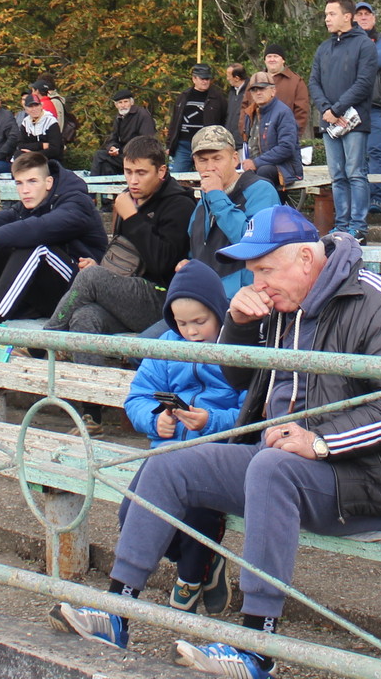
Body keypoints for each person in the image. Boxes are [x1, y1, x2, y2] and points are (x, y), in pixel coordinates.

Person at [53, 206, 381, 676]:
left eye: (265, 270)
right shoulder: (281, 304)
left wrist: (319, 441)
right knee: (171, 463)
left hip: (368, 475)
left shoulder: (380, 300)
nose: (258, 283)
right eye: (253, 273)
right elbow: (240, 378)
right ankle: (117, 612)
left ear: (306, 259)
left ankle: (255, 648)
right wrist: (241, 327)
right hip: (281, 463)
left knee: (270, 467)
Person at [117, 260, 246, 614]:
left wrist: (211, 421)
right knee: (131, 516)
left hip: (216, 452)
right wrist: (155, 419)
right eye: (181, 323)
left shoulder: (239, 344)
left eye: (199, 322)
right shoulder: (167, 344)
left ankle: (190, 578)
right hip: (166, 449)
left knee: (198, 513)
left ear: (219, 312)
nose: (190, 331)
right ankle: (210, 564)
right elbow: (138, 397)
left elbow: (253, 412)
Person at [46, 136, 195, 342]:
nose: (133, 180)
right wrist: (102, 267)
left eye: (141, 173)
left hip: (162, 298)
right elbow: (125, 252)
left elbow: (161, 264)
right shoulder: (129, 197)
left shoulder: (180, 205)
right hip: (128, 294)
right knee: (85, 317)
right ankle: (87, 374)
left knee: (92, 277)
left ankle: (44, 342)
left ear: (161, 171)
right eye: (128, 172)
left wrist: (132, 217)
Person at [0, 153, 107, 329]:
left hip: (77, 289)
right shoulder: (24, 208)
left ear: (48, 182)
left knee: (34, 247)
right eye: (19, 183)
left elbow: (39, 228)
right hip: (41, 294)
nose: (25, 190)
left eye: (32, 181)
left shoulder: (77, 202)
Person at [309, 0, 379, 241]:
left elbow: (364, 83)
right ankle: (341, 224)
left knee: (355, 172)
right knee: (337, 175)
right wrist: (327, 110)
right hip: (330, 122)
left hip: (355, 121)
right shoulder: (323, 48)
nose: (327, 18)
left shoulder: (364, 45)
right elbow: (314, 82)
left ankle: (358, 226)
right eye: (326, 14)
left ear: (347, 16)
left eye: (331, 14)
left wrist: (338, 109)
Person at [185, 126, 279, 297]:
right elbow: (195, 250)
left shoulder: (261, 191)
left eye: (217, 158)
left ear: (234, 159)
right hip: (203, 297)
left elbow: (255, 245)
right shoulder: (204, 201)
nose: (210, 167)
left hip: (247, 298)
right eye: (203, 160)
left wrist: (217, 196)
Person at [352, 4, 381, 225]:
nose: (364, 18)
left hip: (376, 107)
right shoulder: (347, 40)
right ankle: (359, 200)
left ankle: (377, 197)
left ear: (374, 18)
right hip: (352, 108)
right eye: (359, 14)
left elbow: (376, 60)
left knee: (377, 152)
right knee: (356, 156)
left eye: (367, 14)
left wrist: (354, 59)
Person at [236, 73, 301, 195]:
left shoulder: (283, 112)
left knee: (263, 172)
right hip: (258, 164)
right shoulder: (250, 113)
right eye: (254, 90)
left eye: (262, 88)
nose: (258, 92)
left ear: (273, 91)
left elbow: (286, 147)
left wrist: (256, 163)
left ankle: (267, 208)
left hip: (283, 167)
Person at [164, 65, 228, 175]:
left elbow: (224, 120)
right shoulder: (183, 97)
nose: (205, 82)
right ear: (194, 79)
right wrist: (170, 144)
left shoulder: (218, 98)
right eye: (202, 79)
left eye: (207, 79)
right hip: (183, 144)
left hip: (207, 144)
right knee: (177, 176)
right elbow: (175, 122)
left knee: (210, 175)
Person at [89, 90, 157, 176]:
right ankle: (107, 187)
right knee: (106, 164)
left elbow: (147, 141)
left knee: (99, 156)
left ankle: (91, 183)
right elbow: (113, 138)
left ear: (131, 103)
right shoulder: (119, 118)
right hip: (123, 154)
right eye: (120, 103)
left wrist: (125, 151)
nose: (123, 105)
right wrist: (112, 148)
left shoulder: (142, 115)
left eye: (126, 102)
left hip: (138, 156)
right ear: (116, 105)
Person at [260, 46, 311, 133]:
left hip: (284, 137)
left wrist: (292, 135)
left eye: (275, 56)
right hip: (257, 139)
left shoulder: (296, 82)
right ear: (265, 60)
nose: (272, 59)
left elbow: (301, 112)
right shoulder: (256, 81)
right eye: (269, 56)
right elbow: (246, 108)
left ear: (283, 60)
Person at [18, 91, 65, 161]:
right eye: (31, 106)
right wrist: (41, 145)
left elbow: (54, 150)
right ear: (26, 109)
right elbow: (21, 145)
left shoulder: (51, 122)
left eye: (36, 105)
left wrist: (34, 155)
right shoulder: (25, 123)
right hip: (30, 158)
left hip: (49, 160)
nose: (34, 109)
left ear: (41, 106)